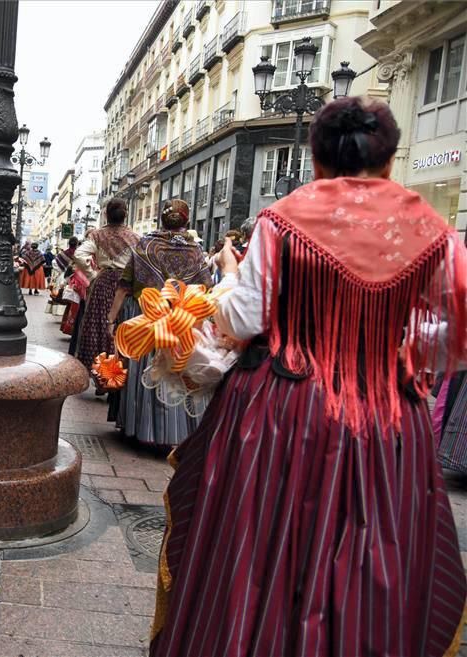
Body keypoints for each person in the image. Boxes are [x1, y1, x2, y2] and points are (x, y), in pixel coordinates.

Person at [150, 97, 467, 657]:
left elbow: (246, 317)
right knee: (373, 545)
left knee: (260, 543)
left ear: (316, 160)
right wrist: (395, 348)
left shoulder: (286, 217)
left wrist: (221, 292)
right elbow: (453, 339)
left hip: (280, 410)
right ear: (390, 163)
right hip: (386, 416)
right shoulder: (430, 229)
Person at [105, 199, 211, 448]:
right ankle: (178, 434)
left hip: (147, 317)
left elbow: (124, 286)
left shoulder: (145, 246)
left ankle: (143, 429)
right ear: (187, 219)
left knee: (146, 369)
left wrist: (111, 320)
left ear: (161, 219)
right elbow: (206, 287)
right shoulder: (195, 250)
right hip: (182, 320)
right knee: (176, 369)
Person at [72, 199, 141, 390]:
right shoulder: (136, 237)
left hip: (103, 284)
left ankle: (99, 375)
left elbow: (78, 255)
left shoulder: (97, 235)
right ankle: (117, 375)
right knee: (121, 329)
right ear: (125, 214)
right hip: (126, 287)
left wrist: (92, 274)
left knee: (98, 327)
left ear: (106, 215)